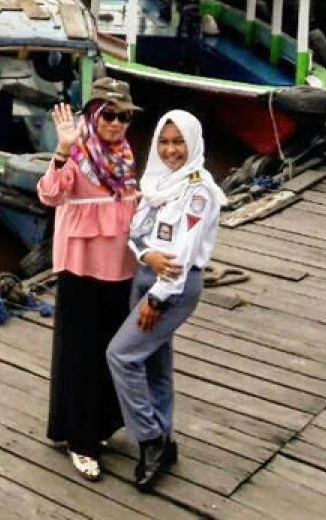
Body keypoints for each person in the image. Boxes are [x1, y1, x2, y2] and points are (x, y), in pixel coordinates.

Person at [106, 109, 225, 491]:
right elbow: (135, 233)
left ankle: (149, 439)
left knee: (121, 355)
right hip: (145, 276)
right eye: (164, 141)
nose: (171, 150)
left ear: (193, 144)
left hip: (170, 288)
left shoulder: (198, 190)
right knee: (153, 362)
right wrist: (146, 258)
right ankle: (166, 438)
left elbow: (184, 254)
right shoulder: (157, 183)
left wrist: (158, 298)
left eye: (179, 142)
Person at [37, 77, 145, 481]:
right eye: (109, 115)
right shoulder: (79, 152)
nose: (116, 124)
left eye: (124, 116)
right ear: (94, 114)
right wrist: (62, 149)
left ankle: (98, 428)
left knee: (110, 353)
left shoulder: (125, 154)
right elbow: (49, 194)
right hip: (82, 268)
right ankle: (79, 440)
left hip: (120, 268)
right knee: (79, 355)